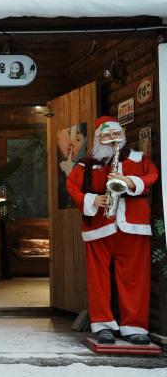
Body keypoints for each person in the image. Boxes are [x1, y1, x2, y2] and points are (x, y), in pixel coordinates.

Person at [66, 116, 159, 345]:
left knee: (135, 278)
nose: (111, 139)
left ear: (122, 135)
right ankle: (103, 325)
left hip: (133, 226)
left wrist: (129, 181)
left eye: (115, 135)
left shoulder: (138, 159)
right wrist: (91, 199)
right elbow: (71, 186)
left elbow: (152, 175)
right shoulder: (87, 163)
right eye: (105, 136)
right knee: (98, 279)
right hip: (99, 226)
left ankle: (134, 326)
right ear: (98, 139)